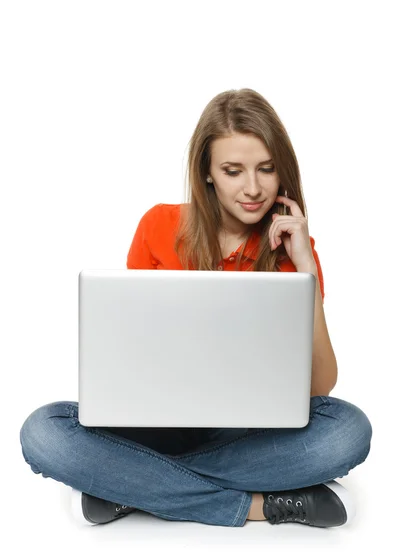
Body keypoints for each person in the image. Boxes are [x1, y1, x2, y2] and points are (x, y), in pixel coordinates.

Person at [19, 88, 372, 528]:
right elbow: (132, 357)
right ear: (206, 172)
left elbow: (321, 386)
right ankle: (260, 505)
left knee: (347, 431)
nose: (253, 188)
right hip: (157, 428)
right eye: (232, 171)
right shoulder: (159, 226)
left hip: (247, 432)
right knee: (43, 432)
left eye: (267, 169)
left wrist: (306, 270)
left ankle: (131, 486)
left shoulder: (292, 247)